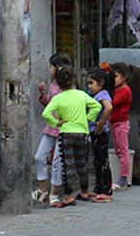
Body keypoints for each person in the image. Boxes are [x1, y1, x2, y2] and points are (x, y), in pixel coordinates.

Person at [42, 65, 102, 208]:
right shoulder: (81, 94)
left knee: (68, 164)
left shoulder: (58, 98)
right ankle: (84, 191)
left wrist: (56, 123)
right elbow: (97, 106)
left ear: (58, 82)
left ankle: (68, 195)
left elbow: (45, 114)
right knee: (82, 163)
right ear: (74, 79)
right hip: (82, 132)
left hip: (66, 133)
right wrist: (87, 119)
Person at [33, 53, 71, 207]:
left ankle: (54, 193)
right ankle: (43, 189)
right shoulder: (54, 85)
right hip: (51, 127)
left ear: (58, 68)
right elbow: (50, 105)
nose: (49, 70)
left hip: (63, 128)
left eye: (51, 67)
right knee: (39, 157)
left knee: (58, 162)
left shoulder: (69, 87)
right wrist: (43, 95)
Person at [86, 67, 114, 203]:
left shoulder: (102, 95)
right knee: (97, 161)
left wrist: (102, 123)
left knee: (103, 161)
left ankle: (106, 190)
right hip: (95, 132)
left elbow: (109, 108)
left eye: (91, 83)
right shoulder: (97, 95)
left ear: (101, 82)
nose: (89, 86)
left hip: (100, 132)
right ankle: (99, 188)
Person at [109, 62, 133, 191]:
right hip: (114, 123)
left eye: (116, 76)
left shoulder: (125, 90)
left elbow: (114, 102)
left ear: (124, 77)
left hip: (121, 124)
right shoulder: (117, 89)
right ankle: (122, 178)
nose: (114, 79)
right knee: (119, 151)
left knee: (123, 152)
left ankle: (123, 179)